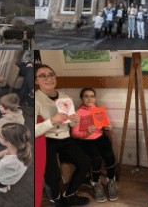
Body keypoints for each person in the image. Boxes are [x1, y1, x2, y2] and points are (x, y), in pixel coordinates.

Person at [35, 64, 92, 206]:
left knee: (85, 162)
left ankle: (70, 194)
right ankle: (56, 202)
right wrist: (52, 121)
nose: (48, 78)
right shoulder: (35, 99)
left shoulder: (64, 97)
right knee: (52, 173)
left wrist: (75, 120)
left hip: (65, 138)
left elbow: (71, 124)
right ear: (36, 81)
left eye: (51, 75)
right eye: (43, 76)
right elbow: (33, 131)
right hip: (46, 139)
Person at [70, 88, 118, 202]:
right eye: (86, 96)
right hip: (85, 140)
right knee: (96, 159)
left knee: (110, 156)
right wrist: (87, 132)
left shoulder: (99, 110)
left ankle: (111, 181)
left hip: (100, 137)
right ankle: (95, 183)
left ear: (95, 98)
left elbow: (106, 124)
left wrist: (108, 126)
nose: (89, 98)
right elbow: (74, 133)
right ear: (82, 98)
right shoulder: (78, 113)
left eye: (92, 96)